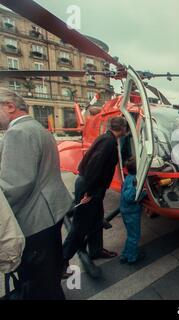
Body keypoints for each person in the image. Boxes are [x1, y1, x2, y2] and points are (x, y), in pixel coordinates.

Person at [0, 89, 73, 299]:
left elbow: (14, 185)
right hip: (50, 212)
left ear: (10, 106)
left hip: (35, 219)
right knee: (48, 275)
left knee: (38, 284)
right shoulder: (36, 128)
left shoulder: (18, 132)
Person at [62, 116, 128, 274]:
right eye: (126, 128)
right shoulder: (109, 142)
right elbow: (94, 167)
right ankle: (61, 262)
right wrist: (89, 193)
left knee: (97, 219)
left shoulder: (105, 138)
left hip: (92, 186)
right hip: (90, 187)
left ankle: (96, 250)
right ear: (122, 128)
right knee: (80, 226)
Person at [119, 157, 145, 264]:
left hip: (126, 211)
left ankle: (125, 254)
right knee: (135, 236)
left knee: (130, 235)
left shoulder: (129, 177)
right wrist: (143, 193)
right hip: (131, 213)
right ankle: (132, 258)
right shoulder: (134, 180)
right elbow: (129, 197)